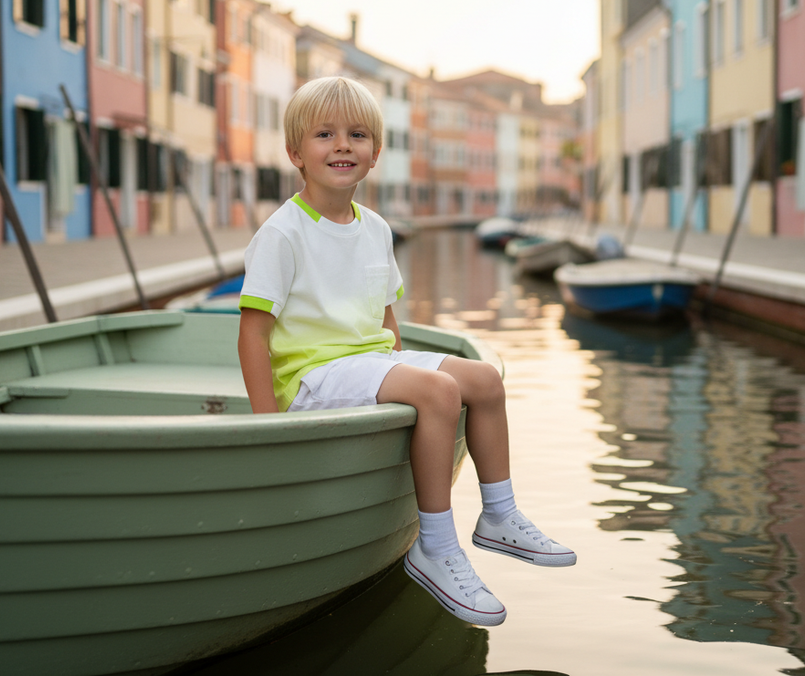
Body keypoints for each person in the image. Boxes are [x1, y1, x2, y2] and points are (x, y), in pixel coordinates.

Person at [237, 76, 575, 627]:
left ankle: (499, 516)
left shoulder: (375, 228)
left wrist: (397, 368)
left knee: (486, 379)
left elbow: (385, 318)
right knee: (439, 390)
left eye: (358, 134)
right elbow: (252, 333)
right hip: (313, 376)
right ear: (296, 152)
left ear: (376, 154)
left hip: (367, 364)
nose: (343, 144)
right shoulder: (283, 233)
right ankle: (434, 548)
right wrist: (266, 428)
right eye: (325, 134)